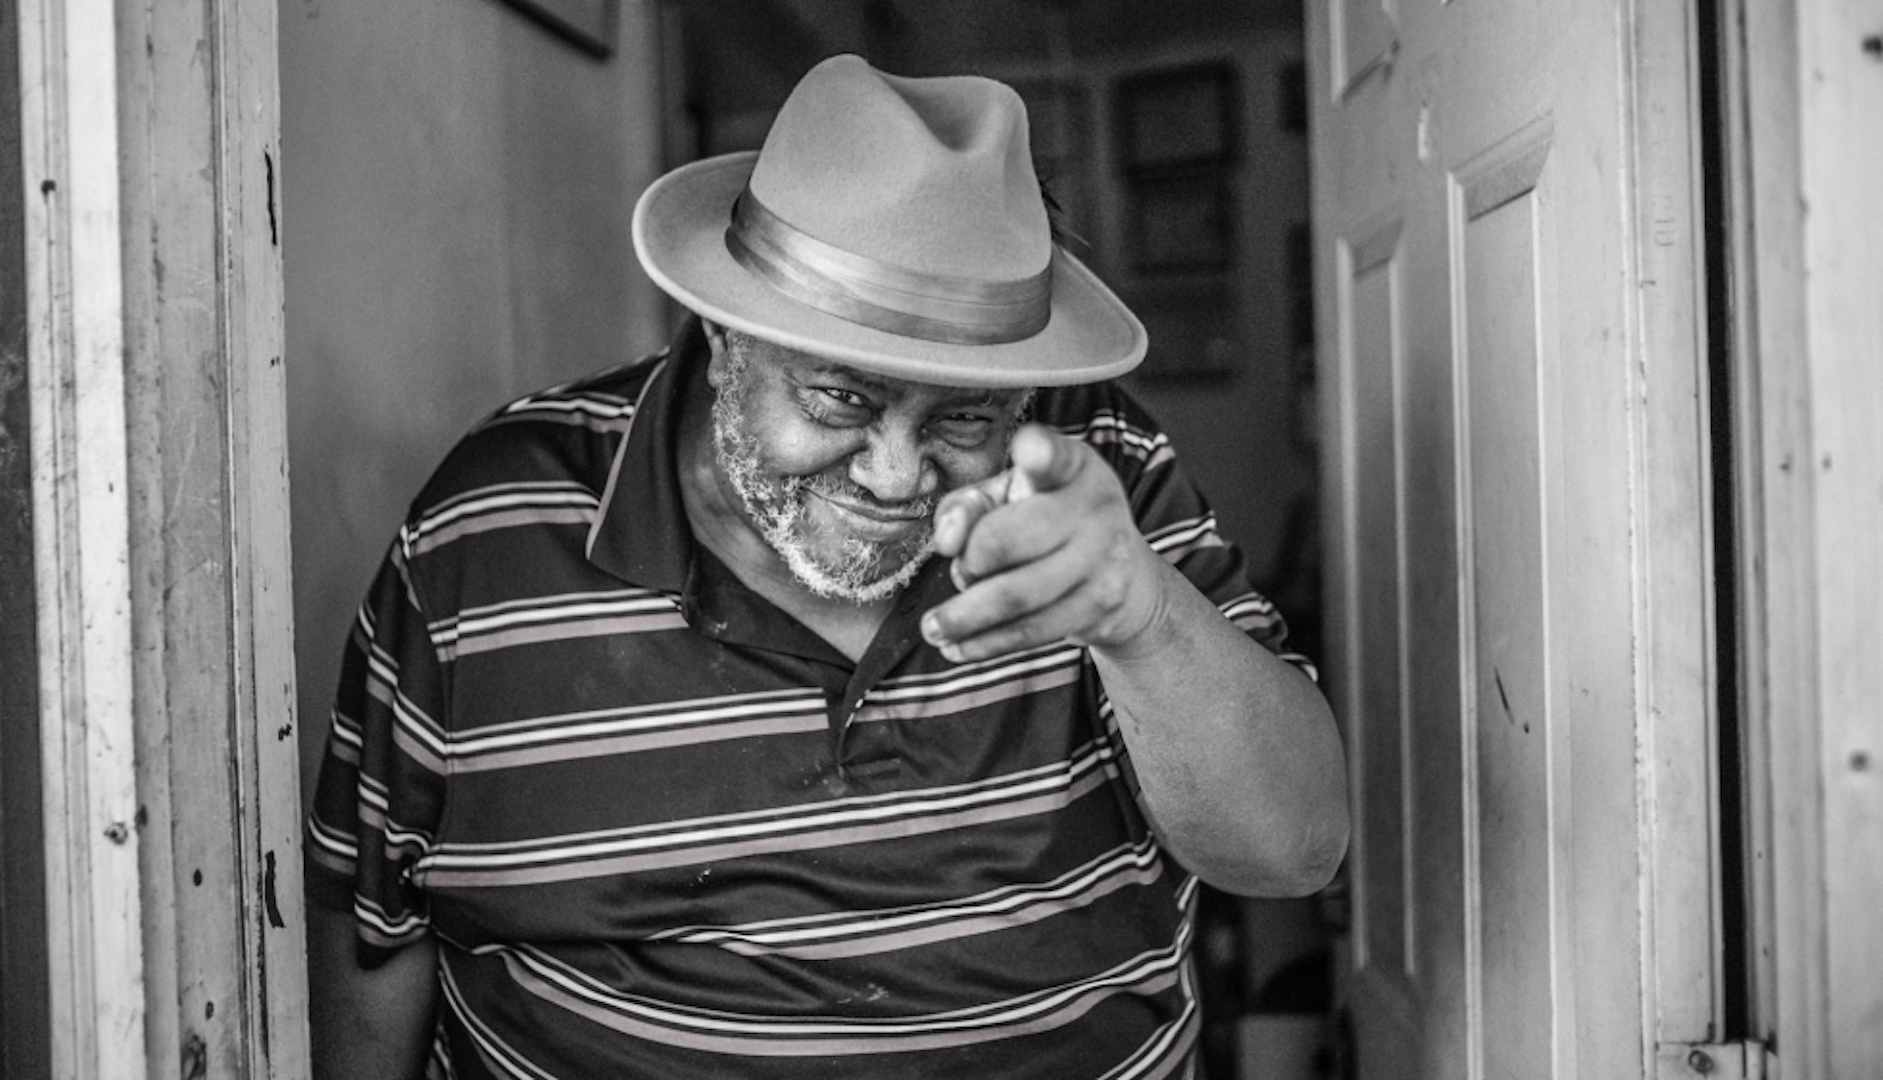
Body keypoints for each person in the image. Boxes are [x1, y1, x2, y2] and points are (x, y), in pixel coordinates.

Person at [305, 54, 1349, 1080]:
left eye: (964, 417)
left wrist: (1143, 617)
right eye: (843, 399)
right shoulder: (489, 527)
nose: (897, 477)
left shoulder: (1095, 465)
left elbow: (1296, 849)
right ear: (725, 335)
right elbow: (371, 929)